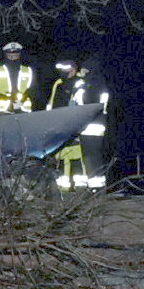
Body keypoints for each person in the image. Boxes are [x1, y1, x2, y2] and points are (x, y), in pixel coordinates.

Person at [47, 59, 89, 190]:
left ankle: (80, 188)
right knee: (61, 156)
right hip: (59, 125)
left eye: (67, 69)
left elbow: (81, 105)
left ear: (74, 69)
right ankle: (63, 188)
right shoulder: (58, 83)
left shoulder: (80, 83)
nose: (65, 72)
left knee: (77, 156)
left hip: (74, 125)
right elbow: (52, 103)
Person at [76, 58, 111, 189]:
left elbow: (90, 105)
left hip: (91, 126)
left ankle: (96, 187)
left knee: (92, 156)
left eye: (84, 69)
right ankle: (93, 186)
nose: (81, 71)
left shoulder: (95, 84)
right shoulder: (90, 83)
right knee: (90, 157)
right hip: (88, 125)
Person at [0, 41, 34, 115]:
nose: (12, 57)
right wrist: (1, 98)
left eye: (15, 54)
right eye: (10, 54)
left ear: (20, 55)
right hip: (2, 111)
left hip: (23, 110)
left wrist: (23, 100)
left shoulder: (28, 70)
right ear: (5, 55)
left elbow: (33, 89)